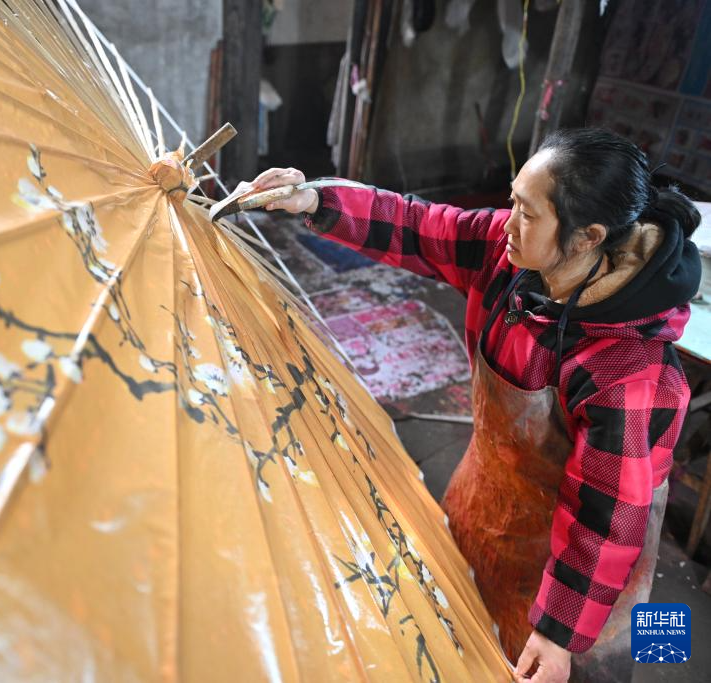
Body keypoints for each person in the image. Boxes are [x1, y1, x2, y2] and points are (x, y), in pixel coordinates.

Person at [242, 128, 701, 683]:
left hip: (587, 564)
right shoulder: (517, 260)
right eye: (513, 201)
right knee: (462, 631)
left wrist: (558, 633)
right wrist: (316, 199)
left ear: (588, 237)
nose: (508, 222)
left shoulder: (629, 371)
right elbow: (421, 226)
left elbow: (605, 519)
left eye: (527, 212)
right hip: (490, 497)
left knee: (576, 666)